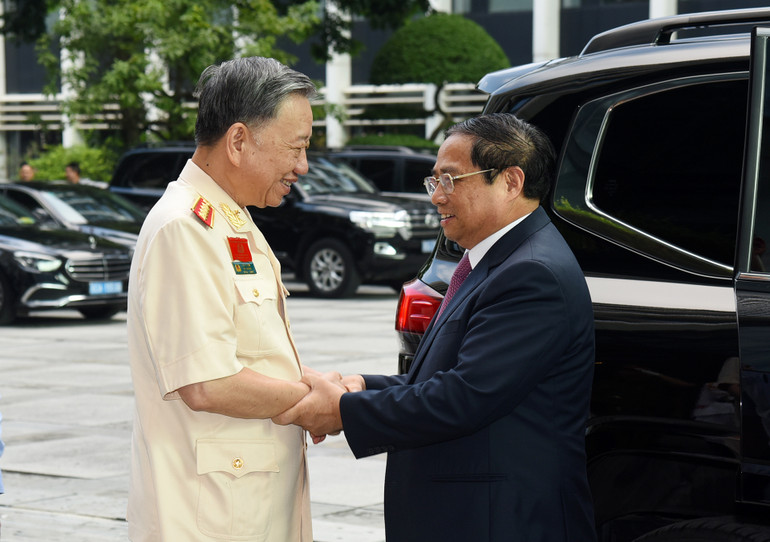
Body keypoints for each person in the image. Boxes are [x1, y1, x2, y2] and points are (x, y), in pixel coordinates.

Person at [276, 113, 597, 541]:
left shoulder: (532, 273)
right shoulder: (497, 260)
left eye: (450, 180)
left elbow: (462, 398)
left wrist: (340, 410)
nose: (436, 197)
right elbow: (447, 377)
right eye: (433, 182)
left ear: (511, 181)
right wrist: (360, 386)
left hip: (500, 520)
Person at [126, 56, 316, 541]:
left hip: (244, 508)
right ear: (238, 141)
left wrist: (309, 380)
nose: (303, 166)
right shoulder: (184, 228)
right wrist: (313, 399)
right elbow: (207, 381)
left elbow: (248, 356)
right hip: (210, 517)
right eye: (296, 148)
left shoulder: (228, 219)